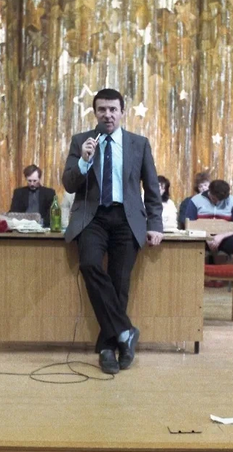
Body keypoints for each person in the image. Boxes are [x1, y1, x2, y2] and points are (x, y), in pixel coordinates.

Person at [62, 88, 163, 374]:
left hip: (126, 219)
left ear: (122, 112)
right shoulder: (81, 141)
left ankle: (108, 348)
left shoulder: (138, 144)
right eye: (102, 110)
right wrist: (83, 161)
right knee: (90, 265)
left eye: (113, 109)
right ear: (95, 113)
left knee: (120, 284)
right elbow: (69, 183)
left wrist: (155, 224)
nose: (107, 114)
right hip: (92, 219)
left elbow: (151, 188)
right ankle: (126, 331)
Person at [185, 179, 233, 298]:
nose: (218, 202)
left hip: (225, 238)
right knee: (185, 243)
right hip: (201, 238)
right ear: (209, 192)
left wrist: (221, 236)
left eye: (221, 200)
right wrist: (207, 237)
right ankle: (185, 281)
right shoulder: (195, 201)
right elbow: (188, 224)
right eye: (215, 199)